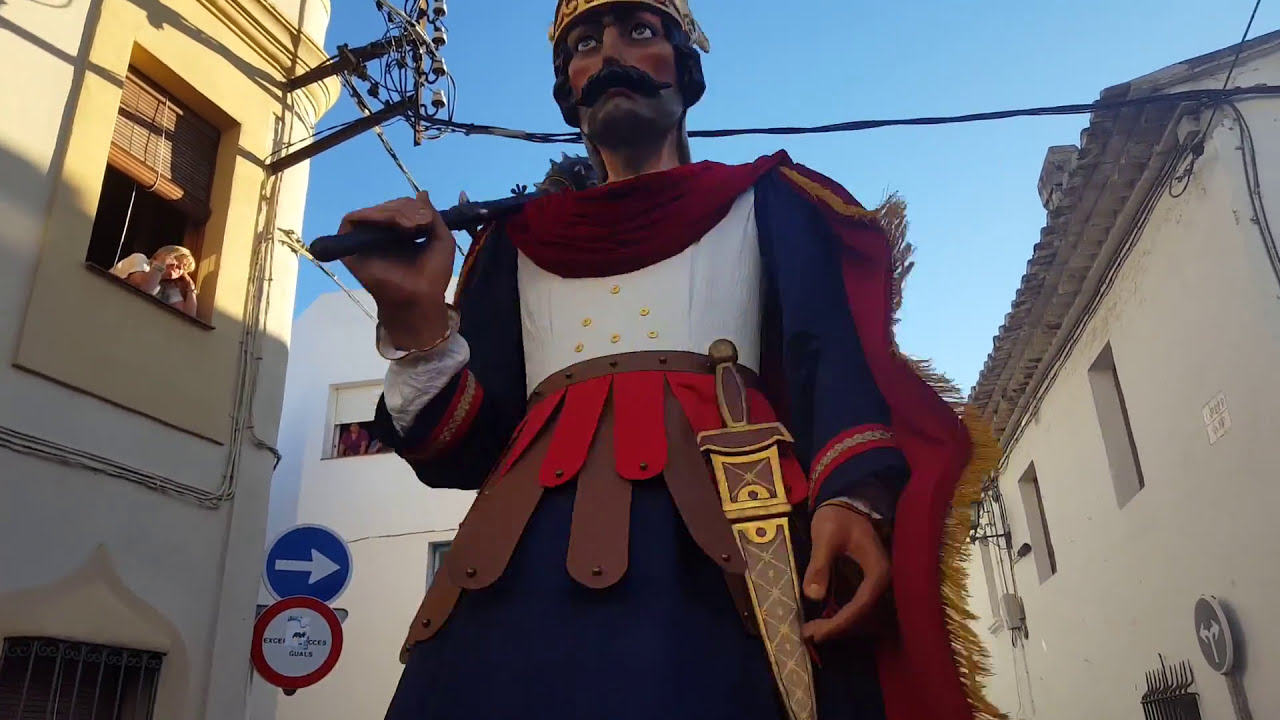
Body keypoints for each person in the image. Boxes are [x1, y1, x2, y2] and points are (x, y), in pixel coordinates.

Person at [339, 1, 1002, 719]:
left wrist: (850, 499)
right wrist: (416, 323)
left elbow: (826, 359)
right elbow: (463, 450)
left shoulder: (767, 199)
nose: (608, 55)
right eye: (584, 45)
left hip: (742, 533)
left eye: (639, 32)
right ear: (569, 88)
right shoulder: (514, 241)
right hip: (522, 559)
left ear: (684, 70)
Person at [109, 245, 199, 317]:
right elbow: (144, 288)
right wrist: (161, 261)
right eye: (177, 261)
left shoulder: (168, 287)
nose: (180, 268)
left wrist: (191, 288)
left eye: (184, 268)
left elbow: (187, 317)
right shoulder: (141, 260)